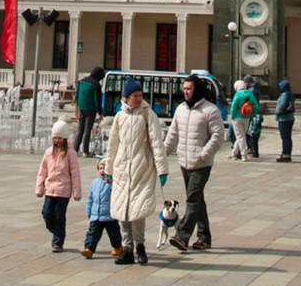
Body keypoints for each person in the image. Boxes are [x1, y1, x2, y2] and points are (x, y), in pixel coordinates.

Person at [105, 79, 168, 265]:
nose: (139, 99)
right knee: (122, 211)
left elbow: (157, 143)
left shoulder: (148, 115)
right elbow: (112, 144)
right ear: (127, 98)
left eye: (141, 95)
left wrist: (162, 169)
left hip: (142, 169)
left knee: (137, 210)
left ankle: (140, 246)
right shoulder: (119, 116)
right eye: (135, 96)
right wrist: (109, 168)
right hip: (123, 170)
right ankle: (127, 248)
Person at [162, 74, 221, 252]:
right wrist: (162, 153)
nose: (186, 92)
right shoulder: (180, 109)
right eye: (185, 89)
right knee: (198, 199)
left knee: (192, 199)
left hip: (201, 164)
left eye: (189, 89)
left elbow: (219, 135)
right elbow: (173, 135)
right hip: (184, 162)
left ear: (197, 90)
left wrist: (204, 153)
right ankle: (204, 237)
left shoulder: (210, 110)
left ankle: (182, 236)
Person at [34, 119, 82, 252]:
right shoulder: (49, 152)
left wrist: (77, 192)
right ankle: (57, 232)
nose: (58, 140)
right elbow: (42, 171)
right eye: (55, 138)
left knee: (59, 215)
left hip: (63, 190)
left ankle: (58, 242)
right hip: (50, 189)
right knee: (47, 213)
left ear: (65, 138)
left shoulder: (70, 153)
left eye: (60, 138)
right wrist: (39, 187)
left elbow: (75, 173)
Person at [79, 158, 122, 259]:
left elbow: (118, 197)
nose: (102, 170)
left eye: (105, 168)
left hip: (109, 215)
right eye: (100, 168)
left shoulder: (113, 183)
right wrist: (89, 210)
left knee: (114, 233)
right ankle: (89, 249)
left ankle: (118, 247)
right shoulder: (94, 183)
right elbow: (90, 198)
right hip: (96, 215)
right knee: (92, 233)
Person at [74, 66, 105, 153]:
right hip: (91, 110)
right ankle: (85, 151)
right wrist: (100, 112)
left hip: (81, 108)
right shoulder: (96, 85)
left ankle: (75, 150)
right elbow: (97, 100)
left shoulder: (82, 81)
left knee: (80, 130)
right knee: (87, 130)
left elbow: (77, 96)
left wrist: (78, 106)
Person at [229, 78, 258, 161]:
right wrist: (251, 114)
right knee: (241, 136)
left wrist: (232, 116)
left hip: (237, 118)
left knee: (240, 136)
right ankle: (233, 153)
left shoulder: (237, 95)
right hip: (246, 117)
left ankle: (243, 155)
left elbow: (233, 107)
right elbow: (256, 106)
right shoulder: (250, 95)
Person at [274, 78, 297, 162]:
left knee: (285, 137)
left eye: (280, 86)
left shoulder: (284, 94)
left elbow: (282, 105)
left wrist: (277, 111)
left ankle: (285, 155)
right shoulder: (290, 93)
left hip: (284, 119)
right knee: (288, 137)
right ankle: (287, 154)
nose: (279, 88)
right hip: (290, 118)